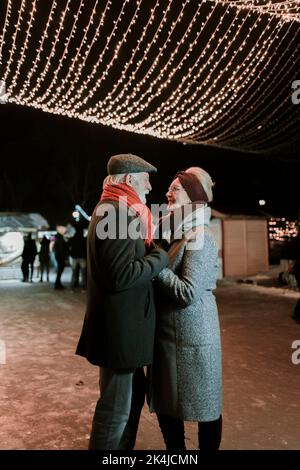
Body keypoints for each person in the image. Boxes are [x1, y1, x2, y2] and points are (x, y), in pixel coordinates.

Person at [76, 153, 169, 450]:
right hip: (120, 332)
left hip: (122, 330)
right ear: (129, 179)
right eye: (146, 180)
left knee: (125, 407)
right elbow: (121, 276)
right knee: (114, 412)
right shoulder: (117, 213)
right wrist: (160, 256)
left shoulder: (117, 210)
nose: (150, 187)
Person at [150, 167, 223, 450]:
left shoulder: (200, 235)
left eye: (175, 189)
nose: (167, 193)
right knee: (169, 410)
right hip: (170, 338)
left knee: (205, 410)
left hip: (194, 338)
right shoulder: (174, 231)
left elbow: (188, 291)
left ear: (193, 197)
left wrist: (155, 265)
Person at [68, 227, 87, 291]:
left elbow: (67, 247)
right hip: (82, 258)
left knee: (74, 273)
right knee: (83, 273)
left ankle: (72, 287)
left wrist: (71, 254)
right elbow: (86, 248)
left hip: (74, 258)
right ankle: (83, 288)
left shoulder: (72, 239)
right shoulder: (84, 239)